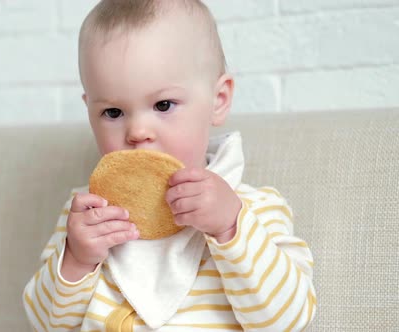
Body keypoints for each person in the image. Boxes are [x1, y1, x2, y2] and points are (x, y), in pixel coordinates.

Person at [23, 1, 316, 330]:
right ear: (89, 110)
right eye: (113, 113)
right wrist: (76, 260)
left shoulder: (253, 209)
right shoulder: (86, 217)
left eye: (163, 105)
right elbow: (45, 324)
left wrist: (230, 228)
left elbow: (288, 320)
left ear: (218, 101)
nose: (137, 133)